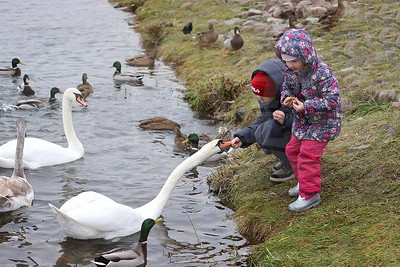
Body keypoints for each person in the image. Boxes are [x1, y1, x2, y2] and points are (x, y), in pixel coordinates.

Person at [274, 29, 342, 212]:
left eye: (294, 61)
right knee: (292, 150)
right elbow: (286, 89)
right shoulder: (290, 72)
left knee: (308, 156)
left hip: (323, 122)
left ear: (306, 55)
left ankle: (310, 194)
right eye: (286, 62)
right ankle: (303, 182)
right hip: (303, 121)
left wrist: (307, 106)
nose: (290, 66)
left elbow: (332, 100)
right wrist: (287, 99)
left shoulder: (322, 73)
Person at [230, 59, 295, 182]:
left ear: (274, 90)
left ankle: (293, 164)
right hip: (292, 136)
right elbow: (262, 120)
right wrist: (243, 138)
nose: (260, 99)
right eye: (257, 95)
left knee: (269, 130)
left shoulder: (293, 95)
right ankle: (288, 159)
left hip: (306, 139)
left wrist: (286, 120)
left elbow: (310, 123)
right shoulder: (270, 99)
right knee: (262, 129)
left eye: (263, 95)